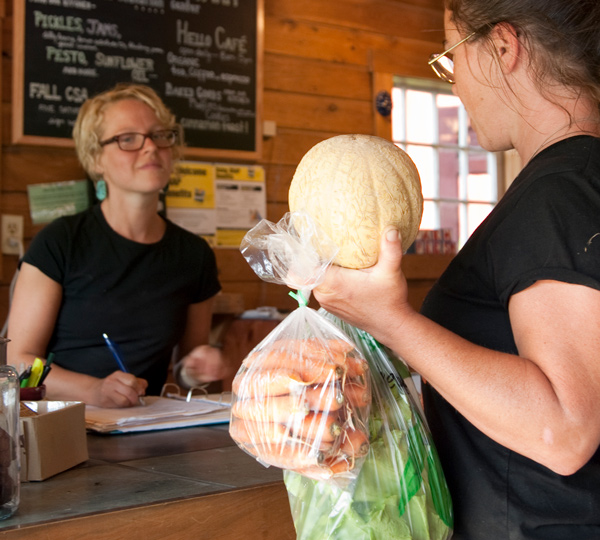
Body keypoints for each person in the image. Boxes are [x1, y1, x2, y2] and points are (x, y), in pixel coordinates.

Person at [313, 1, 600, 538]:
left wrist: (390, 319)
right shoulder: (576, 180)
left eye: (451, 58)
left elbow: (564, 428)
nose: (455, 86)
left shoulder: (560, 192)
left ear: (503, 48)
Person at [7, 84, 229, 408]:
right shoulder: (60, 241)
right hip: (60, 426)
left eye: (159, 135)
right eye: (128, 139)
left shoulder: (195, 255)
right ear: (96, 158)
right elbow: (18, 362)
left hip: (142, 428)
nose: (150, 147)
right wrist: (92, 391)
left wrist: (197, 368)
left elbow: (183, 371)